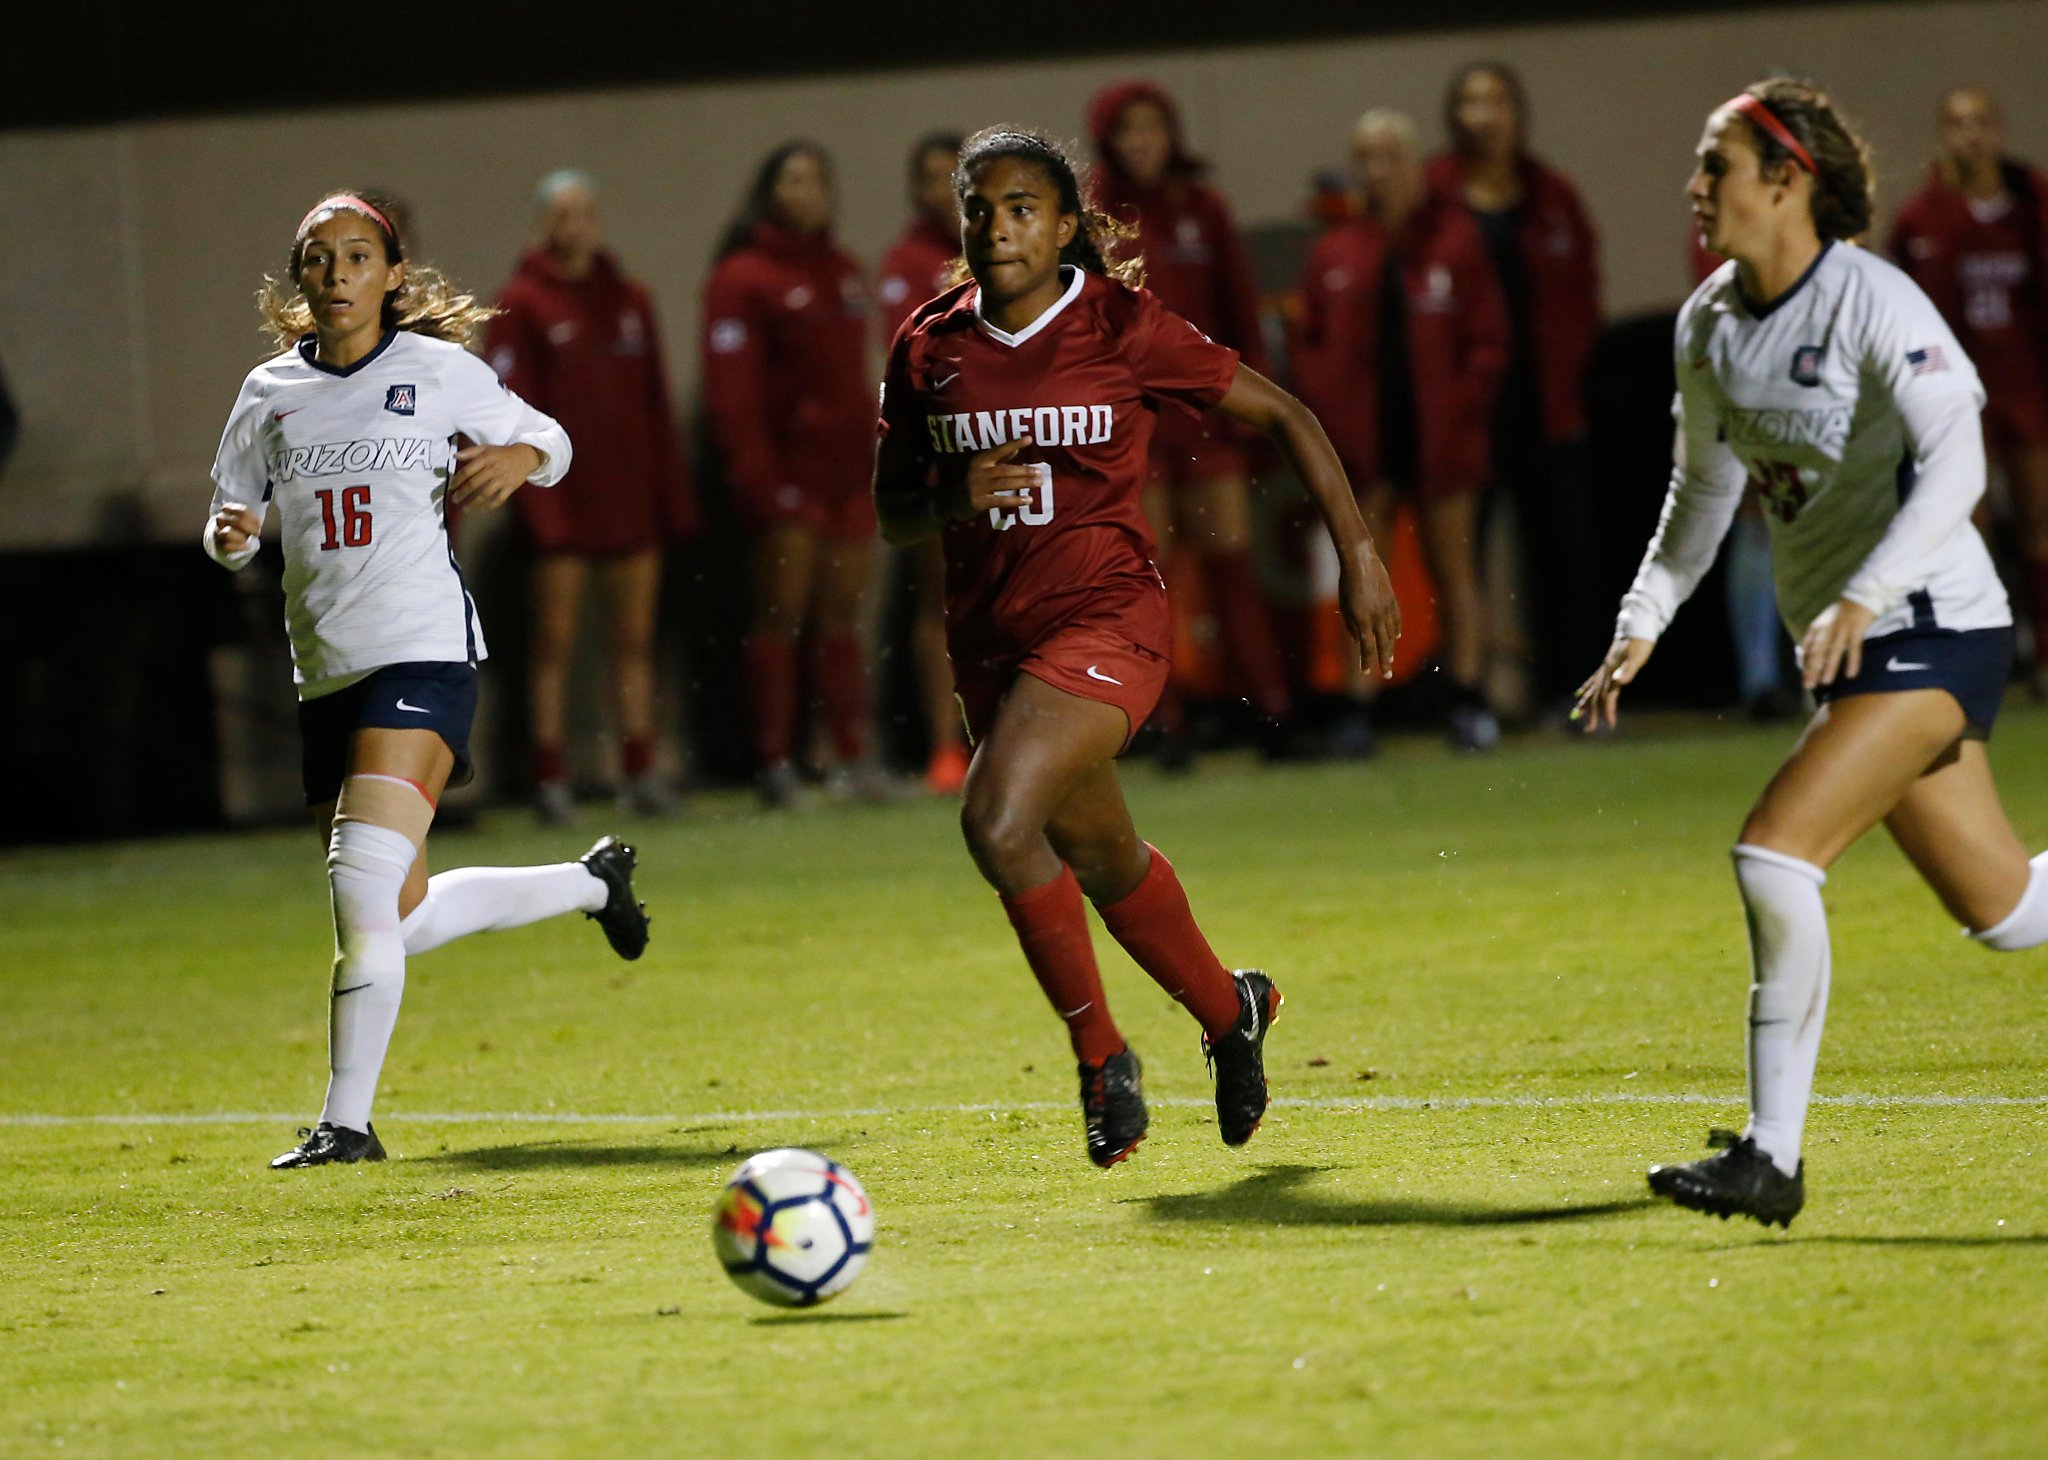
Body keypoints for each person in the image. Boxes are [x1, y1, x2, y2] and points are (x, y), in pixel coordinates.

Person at [873, 128, 1400, 1167]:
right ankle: (1228, 1008)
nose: (997, 227)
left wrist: (1362, 556)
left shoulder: (1118, 323)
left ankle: (1100, 1056)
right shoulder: (926, 344)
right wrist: (946, 494)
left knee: (992, 816)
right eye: (979, 207)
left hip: (1107, 622)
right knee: (1100, 854)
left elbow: (1284, 412)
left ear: (1066, 225)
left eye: (1021, 207)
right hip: (991, 644)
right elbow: (890, 512)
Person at [1577, 81, 2048, 1228]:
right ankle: (1768, 1149)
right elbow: (1701, 487)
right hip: (1856, 639)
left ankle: (1769, 1155)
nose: (1695, 189)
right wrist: (1642, 617)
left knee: (1774, 856)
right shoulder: (1707, 322)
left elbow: (1957, 470)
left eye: (1714, 164)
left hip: (1932, 624)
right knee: (2008, 911)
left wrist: (1863, 590)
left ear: (1786, 180)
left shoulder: (1872, 302)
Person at [205, 192, 650, 1170]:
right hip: (325, 672)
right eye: (317, 258)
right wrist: (231, 536)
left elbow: (557, 442)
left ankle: (347, 1124)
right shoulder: (269, 391)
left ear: (392, 273)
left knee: (359, 886)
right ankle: (588, 881)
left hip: (423, 653)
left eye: (356, 255)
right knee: (394, 915)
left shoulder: (439, 372)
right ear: (301, 276)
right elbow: (228, 516)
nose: (336, 274)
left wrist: (517, 454)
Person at [1088, 80, 1298, 764]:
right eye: (1130, 130)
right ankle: (1162, 718)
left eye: (1154, 127)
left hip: (1206, 417)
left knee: (1233, 563)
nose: (1143, 143)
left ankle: (1268, 709)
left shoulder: (1201, 210)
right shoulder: (1094, 212)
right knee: (1152, 574)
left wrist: (1252, 408)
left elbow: (1240, 314)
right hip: (1134, 426)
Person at [1294, 110, 1510, 752]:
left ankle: (1469, 698)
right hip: (1365, 441)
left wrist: (1464, 412)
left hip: (1440, 438)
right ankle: (1358, 705)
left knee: (1455, 567)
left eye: (1390, 156)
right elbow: (1309, 347)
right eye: (1366, 157)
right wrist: (1330, 420)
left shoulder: (1455, 241)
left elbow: (1488, 341)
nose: (1378, 170)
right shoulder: (1337, 249)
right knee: (1362, 568)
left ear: (1416, 163)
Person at [489, 170, 696, 823]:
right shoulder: (522, 304)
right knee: (554, 642)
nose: (574, 225)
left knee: (634, 641)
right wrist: (537, 506)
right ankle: (550, 776)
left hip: (629, 500)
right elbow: (503, 410)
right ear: (542, 224)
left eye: (585, 212)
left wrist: (670, 500)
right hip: (563, 504)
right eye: (562, 213)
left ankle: (639, 771)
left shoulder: (630, 299)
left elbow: (655, 406)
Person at [702, 143, 882, 807]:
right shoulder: (744, 276)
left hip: (846, 476)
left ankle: (851, 756)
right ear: (769, 190)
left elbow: (855, 380)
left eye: (817, 180)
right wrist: (761, 479)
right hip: (789, 479)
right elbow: (733, 395)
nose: (807, 192)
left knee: (840, 619)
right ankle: (776, 761)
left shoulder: (842, 269)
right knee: (780, 616)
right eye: (793, 179)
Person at [1431, 61, 1605, 719]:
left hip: (1548, 403)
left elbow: (1584, 290)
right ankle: (1468, 695)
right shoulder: (1435, 197)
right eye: (1471, 101)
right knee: (1459, 559)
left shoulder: (1551, 195)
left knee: (1567, 552)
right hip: (1468, 410)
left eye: (1497, 100)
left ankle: (1577, 692)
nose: (1485, 115)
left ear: (1517, 112)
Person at [1889, 87, 2048, 694]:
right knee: (1967, 530)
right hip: (1958, 394)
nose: (1971, 136)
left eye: (1982, 122)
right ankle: (1987, 653)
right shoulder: (1921, 217)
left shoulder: (2031, 206)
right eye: (1957, 124)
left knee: (2037, 520)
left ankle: (2043, 651)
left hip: (2025, 384)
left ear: (2000, 129)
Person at [877, 134, 974, 796]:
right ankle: (946, 744)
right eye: (935, 178)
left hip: (1011, 437)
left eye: (956, 176)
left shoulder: (1003, 241)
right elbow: (911, 357)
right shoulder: (907, 261)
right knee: (941, 601)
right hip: (944, 446)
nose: (946, 190)